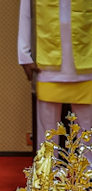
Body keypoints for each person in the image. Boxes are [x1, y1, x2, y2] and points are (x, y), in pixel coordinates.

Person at [19, 0, 92, 149]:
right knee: (48, 133)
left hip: (86, 64)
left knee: (87, 131)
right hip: (47, 66)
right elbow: (26, 13)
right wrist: (24, 55)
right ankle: (47, 171)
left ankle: (88, 171)